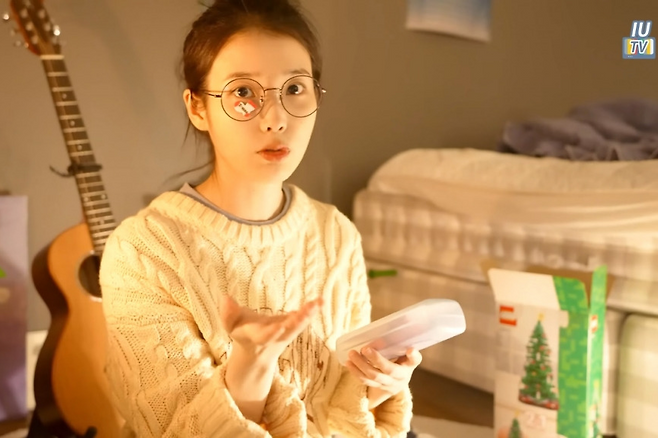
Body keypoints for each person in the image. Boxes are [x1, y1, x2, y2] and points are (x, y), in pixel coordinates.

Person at [99, 0, 422, 436]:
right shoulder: (142, 252)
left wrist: (380, 384)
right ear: (197, 108)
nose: (276, 119)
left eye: (295, 88)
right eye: (243, 93)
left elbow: (339, 409)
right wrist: (251, 362)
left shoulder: (335, 233)